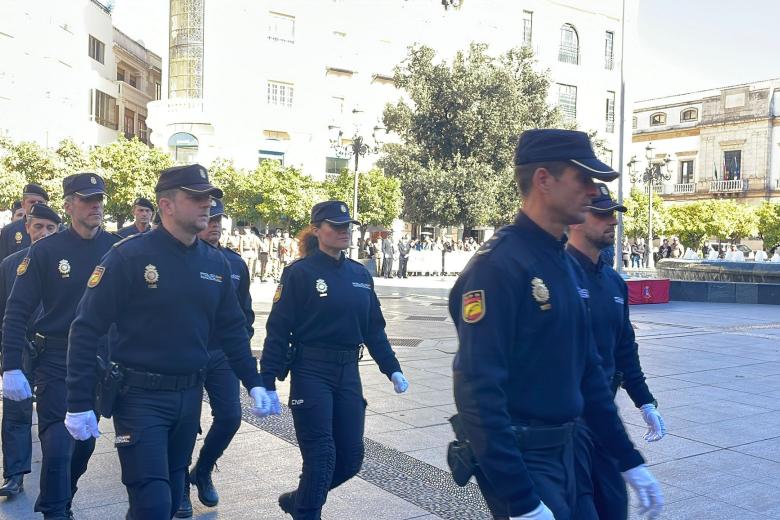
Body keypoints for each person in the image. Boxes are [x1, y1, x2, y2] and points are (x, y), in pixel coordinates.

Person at [450, 129, 663, 520]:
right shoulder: (498, 265)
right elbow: (478, 390)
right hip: (525, 456)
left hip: (569, 449)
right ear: (543, 180)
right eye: (582, 178)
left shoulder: (562, 263)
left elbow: (589, 373)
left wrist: (628, 459)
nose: (591, 190)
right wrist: (521, 501)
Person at [63, 164, 275, 520]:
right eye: (196, 197)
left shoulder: (216, 264)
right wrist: (78, 401)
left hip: (188, 397)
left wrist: (253, 382)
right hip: (140, 398)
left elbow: (232, 330)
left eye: (209, 197)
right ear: (167, 205)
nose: (206, 205)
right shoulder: (129, 256)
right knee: (153, 503)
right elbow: (86, 329)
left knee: (174, 495)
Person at [261, 200, 409, 519]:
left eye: (347, 226)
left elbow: (374, 328)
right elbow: (278, 329)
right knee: (322, 455)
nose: (343, 232)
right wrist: (266, 380)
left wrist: (392, 368)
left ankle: (299, 500)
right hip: (311, 370)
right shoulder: (299, 273)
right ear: (317, 230)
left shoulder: (358, 274)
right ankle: (307, 511)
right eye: (335, 226)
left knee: (351, 459)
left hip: (348, 371)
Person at [1, 174, 119, 520]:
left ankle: (61, 496)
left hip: (98, 359)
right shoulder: (46, 251)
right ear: (69, 206)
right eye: (87, 199)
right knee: (58, 445)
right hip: (56, 359)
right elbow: (16, 311)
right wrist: (10, 367)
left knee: (84, 443)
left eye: (100, 198)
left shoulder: (117, 250)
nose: (96, 205)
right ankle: (55, 510)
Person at [567, 183, 666, 520]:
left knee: (613, 507)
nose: (613, 221)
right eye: (603, 214)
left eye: (613, 214)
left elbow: (625, 348)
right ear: (576, 218)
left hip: (602, 415)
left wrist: (645, 401)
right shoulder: (557, 277)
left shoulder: (613, 282)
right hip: (564, 423)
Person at [176, 198, 255, 518]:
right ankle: (180, 483)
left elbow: (245, 312)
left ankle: (203, 468)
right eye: (209, 219)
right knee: (183, 423)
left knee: (231, 416)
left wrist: (241, 346)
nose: (215, 225)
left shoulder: (234, 263)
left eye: (219, 219)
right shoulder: (181, 257)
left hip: (222, 353)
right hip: (185, 351)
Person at [0, 204, 61, 498]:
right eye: (38, 227)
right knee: (16, 411)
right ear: (27, 228)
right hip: (22, 346)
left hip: (55, 351)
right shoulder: (10, 265)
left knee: (55, 418)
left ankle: (57, 477)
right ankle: (14, 474)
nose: (44, 234)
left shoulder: (67, 264)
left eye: (51, 228)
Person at [0, 183, 49, 261]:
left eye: (40, 202)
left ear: (46, 205)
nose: (36, 205)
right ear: (23, 204)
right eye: (32, 202)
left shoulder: (58, 229)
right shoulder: (8, 231)